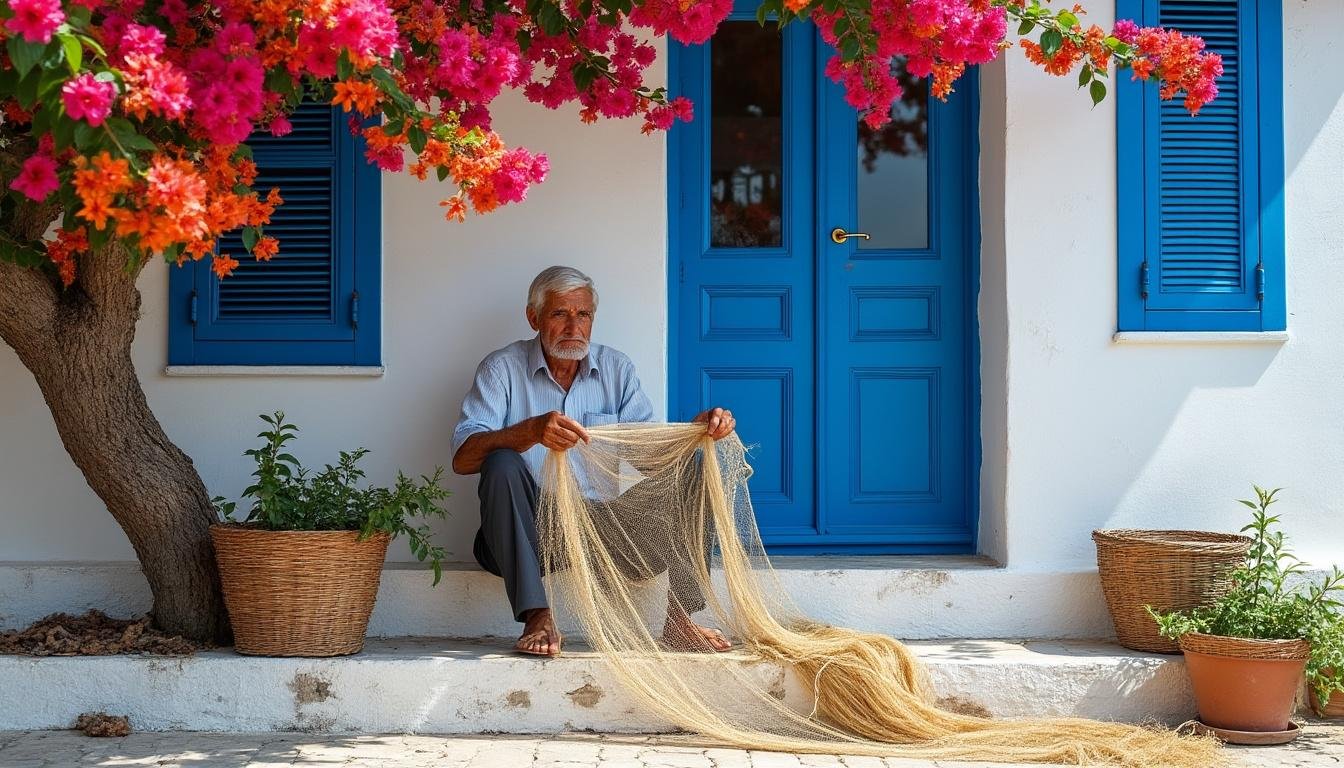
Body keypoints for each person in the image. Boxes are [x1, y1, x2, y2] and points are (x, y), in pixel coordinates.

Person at [451, 266, 737, 657]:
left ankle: (679, 620)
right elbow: (463, 459)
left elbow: (649, 455)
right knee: (501, 461)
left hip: (605, 528)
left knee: (691, 466)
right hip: (532, 533)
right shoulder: (501, 368)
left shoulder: (617, 369)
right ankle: (537, 615)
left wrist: (691, 433)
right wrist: (529, 432)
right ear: (533, 318)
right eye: (559, 314)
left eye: (582, 314)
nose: (573, 326)